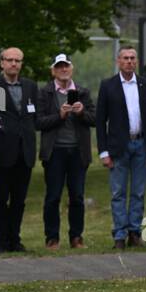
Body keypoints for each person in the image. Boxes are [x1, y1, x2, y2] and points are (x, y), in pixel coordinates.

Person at [97, 46, 146, 248]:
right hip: (118, 146)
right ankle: (119, 235)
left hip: (141, 144)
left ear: (137, 61)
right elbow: (100, 121)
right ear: (118, 61)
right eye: (125, 58)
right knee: (118, 192)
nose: (129, 61)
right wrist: (103, 151)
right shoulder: (108, 86)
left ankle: (135, 232)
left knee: (138, 192)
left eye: (133, 58)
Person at [36, 53, 96, 249]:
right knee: (53, 196)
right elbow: (38, 122)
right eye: (59, 66)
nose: (63, 69)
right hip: (55, 152)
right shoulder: (44, 93)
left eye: (66, 66)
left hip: (78, 152)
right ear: (53, 70)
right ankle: (52, 238)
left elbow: (94, 118)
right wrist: (59, 115)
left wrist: (80, 113)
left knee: (77, 196)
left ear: (71, 68)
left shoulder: (82, 92)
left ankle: (76, 237)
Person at [0, 48, 39, 253]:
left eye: (18, 60)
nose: (14, 64)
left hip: (25, 151)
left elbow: (34, 116)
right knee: (0, 198)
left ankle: (15, 238)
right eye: (10, 60)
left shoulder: (31, 86)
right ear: (2, 63)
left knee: (19, 199)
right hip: (2, 150)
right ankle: (0, 241)